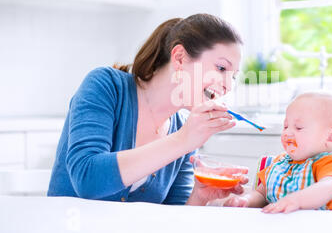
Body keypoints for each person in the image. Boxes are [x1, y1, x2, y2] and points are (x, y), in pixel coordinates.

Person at [47, 13, 248, 206]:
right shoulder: (106, 86)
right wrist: (182, 140)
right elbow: (87, 178)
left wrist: (199, 196)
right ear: (179, 58)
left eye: (233, 76)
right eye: (221, 68)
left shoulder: (184, 131)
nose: (228, 86)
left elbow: (172, 221)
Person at [224, 90, 332, 213]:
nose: (287, 132)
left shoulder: (330, 164)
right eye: (285, 126)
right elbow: (261, 194)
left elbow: (328, 187)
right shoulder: (279, 163)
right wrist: (246, 201)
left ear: (331, 137)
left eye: (298, 127)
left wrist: (297, 200)